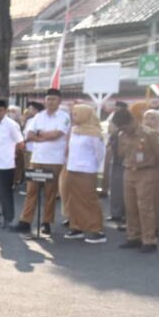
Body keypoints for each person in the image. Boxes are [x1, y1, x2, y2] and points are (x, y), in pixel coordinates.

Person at [15, 90, 71, 235]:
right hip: (37, 158)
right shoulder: (39, 116)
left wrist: (39, 134)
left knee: (50, 193)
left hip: (54, 159)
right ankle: (25, 221)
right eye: (48, 99)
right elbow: (29, 135)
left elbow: (57, 134)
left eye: (53, 99)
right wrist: (43, 135)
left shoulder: (64, 117)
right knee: (31, 191)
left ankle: (46, 222)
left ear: (59, 101)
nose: (50, 102)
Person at [116, 104, 159, 253]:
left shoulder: (149, 134)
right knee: (130, 206)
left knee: (145, 208)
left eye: (125, 127)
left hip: (146, 172)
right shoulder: (122, 135)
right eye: (121, 128)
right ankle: (133, 237)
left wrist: (149, 165)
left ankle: (149, 240)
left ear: (133, 121)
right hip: (128, 171)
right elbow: (121, 154)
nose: (124, 130)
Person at [62, 104, 107, 244]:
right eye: (73, 114)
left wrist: (91, 165)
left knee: (89, 200)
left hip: (87, 171)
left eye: (76, 114)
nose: (73, 117)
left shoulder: (94, 133)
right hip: (72, 169)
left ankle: (97, 230)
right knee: (73, 200)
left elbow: (100, 153)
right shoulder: (74, 130)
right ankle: (76, 227)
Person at [104, 103, 130, 226]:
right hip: (116, 162)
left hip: (125, 163)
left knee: (125, 190)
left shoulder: (127, 132)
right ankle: (116, 214)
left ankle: (126, 215)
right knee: (115, 189)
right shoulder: (116, 132)